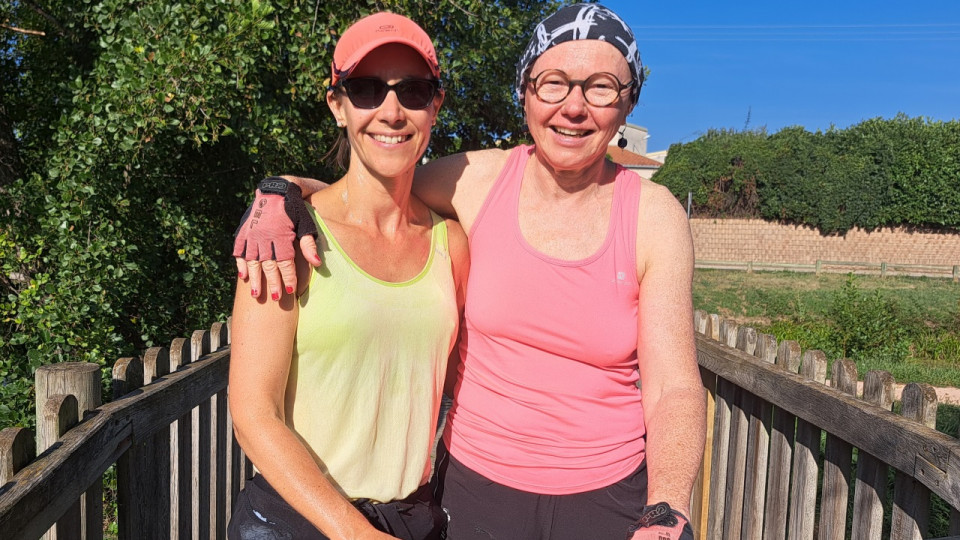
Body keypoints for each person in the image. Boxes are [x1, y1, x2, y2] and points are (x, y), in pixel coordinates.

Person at [234, 4, 705, 539]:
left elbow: (672, 387)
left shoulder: (653, 215)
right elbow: (377, 184)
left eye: (601, 88)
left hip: (605, 496)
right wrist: (282, 191)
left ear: (627, 104)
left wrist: (665, 509)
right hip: (476, 491)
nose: (573, 106)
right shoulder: (477, 181)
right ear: (526, 92)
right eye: (553, 83)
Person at [228, 12, 468, 540]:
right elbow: (252, 411)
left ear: (435, 106)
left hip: (410, 520)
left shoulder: (450, 246)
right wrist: (353, 532)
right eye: (365, 90)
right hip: (295, 520)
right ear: (336, 104)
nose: (391, 111)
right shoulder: (286, 235)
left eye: (413, 91)